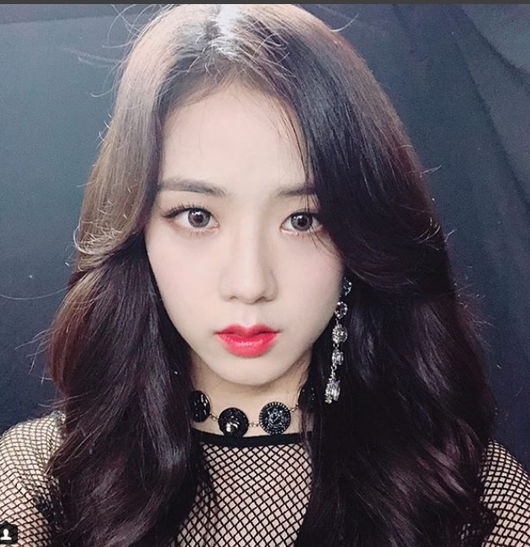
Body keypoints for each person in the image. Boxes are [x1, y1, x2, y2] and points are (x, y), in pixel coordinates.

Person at [0, 4, 528, 546]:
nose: (250, 284)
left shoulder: (469, 493)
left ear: (361, 235)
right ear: (138, 231)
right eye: (197, 216)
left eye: (303, 220)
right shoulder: (42, 476)